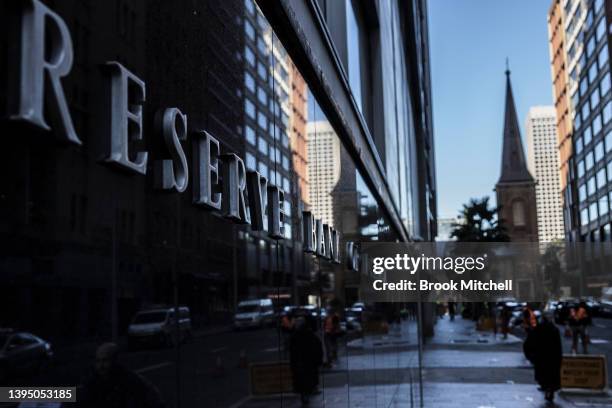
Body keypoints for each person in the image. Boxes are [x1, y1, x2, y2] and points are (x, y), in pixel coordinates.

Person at [77, 342, 165, 408]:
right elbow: (77, 393)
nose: (101, 366)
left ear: (115, 361)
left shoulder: (133, 381)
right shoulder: (92, 381)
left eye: (105, 360)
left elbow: (155, 401)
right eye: (98, 361)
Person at [523, 311, 562, 403]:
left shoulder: (539, 329)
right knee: (551, 376)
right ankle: (550, 390)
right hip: (552, 357)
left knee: (544, 376)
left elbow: (529, 343)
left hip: (542, 357)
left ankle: (547, 389)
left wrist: (530, 355)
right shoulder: (554, 329)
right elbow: (558, 346)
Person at [289, 317, 323, 405]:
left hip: (301, 363)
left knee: (302, 381)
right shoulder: (310, 335)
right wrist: (318, 360)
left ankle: (304, 395)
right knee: (307, 380)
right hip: (308, 363)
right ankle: (306, 394)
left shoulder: (295, 336)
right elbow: (318, 348)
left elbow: (292, 351)